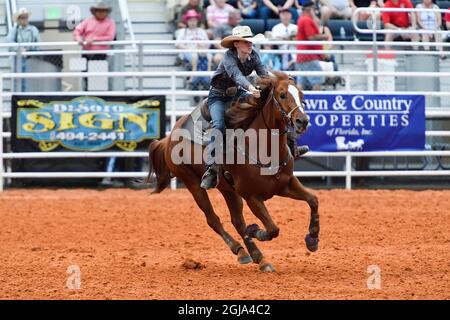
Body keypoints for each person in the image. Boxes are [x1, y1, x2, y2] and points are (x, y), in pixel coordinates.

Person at [201, 25, 309, 189]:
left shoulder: (254, 56)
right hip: (218, 96)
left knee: (267, 109)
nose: (250, 44)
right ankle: (212, 167)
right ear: (236, 44)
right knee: (219, 124)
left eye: (250, 41)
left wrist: (279, 81)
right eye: (246, 42)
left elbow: (263, 73)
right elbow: (236, 76)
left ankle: (291, 145)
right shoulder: (228, 58)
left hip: (237, 93)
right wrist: (251, 89)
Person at [73, 1, 116, 90]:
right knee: (86, 76)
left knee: (99, 78)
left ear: (107, 12)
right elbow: (77, 31)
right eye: (99, 10)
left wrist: (94, 39)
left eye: (104, 11)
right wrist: (79, 39)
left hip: (100, 55)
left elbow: (110, 37)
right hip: (86, 53)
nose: (101, 13)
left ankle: (100, 96)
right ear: (95, 11)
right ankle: (87, 94)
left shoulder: (110, 22)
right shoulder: (87, 21)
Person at [296, 0, 328, 90]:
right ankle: (316, 102)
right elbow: (311, 37)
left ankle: (298, 103)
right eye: (314, 9)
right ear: (310, 9)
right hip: (308, 56)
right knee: (317, 81)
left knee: (301, 82)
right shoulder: (306, 20)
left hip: (303, 56)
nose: (316, 11)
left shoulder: (303, 19)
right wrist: (324, 36)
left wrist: (314, 17)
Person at [175, 10, 211, 90]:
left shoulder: (201, 31)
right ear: (187, 21)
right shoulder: (183, 32)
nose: (193, 22)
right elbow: (178, 44)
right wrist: (190, 48)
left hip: (202, 51)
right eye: (190, 20)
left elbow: (208, 44)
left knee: (209, 56)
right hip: (189, 51)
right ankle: (195, 79)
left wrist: (202, 46)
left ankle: (206, 78)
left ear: (197, 21)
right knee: (195, 57)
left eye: (194, 20)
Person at [7, 7, 40, 91]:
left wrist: (31, 52)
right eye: (22, 17)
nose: (24, 19)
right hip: (17, 59)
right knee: (16, 80)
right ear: (18, 19)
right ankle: (17, 99)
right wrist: (19, 49)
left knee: (29, 81)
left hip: (30, 59)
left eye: (26, 17)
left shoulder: (33, 30)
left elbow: (38, 45)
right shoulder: (14, 30)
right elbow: (10, 42)